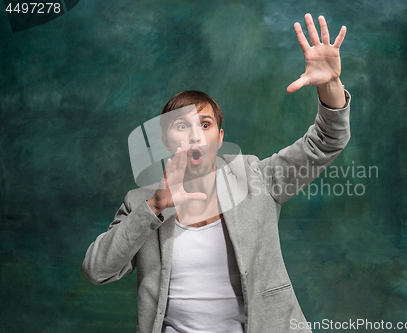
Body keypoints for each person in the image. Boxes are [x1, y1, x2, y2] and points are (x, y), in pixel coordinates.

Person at [83, 13, 351, 333]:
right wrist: (154, 208)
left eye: (205, 125)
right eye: (182, 126)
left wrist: (330, 84)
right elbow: (98, 270)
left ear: (220, 138)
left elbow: (325, 142)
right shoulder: (140, 202)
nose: (195, 135)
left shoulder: (256, 179)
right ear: (167, 141)